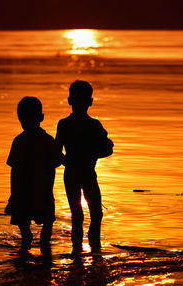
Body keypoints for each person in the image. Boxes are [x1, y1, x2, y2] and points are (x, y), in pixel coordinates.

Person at [56, 80, 113, 255]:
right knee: (84, 213)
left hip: (83, 173)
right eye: (78, 100)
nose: (80, 104)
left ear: (89, 102)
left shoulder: (92, 125)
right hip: (78, 173)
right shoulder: (68, 124)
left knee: (91, 213)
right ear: (70, 101)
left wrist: (89, 156)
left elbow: (107, 148)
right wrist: (76, 161)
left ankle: (85, 248)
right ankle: (87, 249)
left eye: (83, 100)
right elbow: (57, 152)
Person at [5, 96, 62, 255]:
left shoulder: (21, 141)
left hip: (29, 193)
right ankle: (43, 250)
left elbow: (14, 171)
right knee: (46, 225)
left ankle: (28, 244)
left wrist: (13, 195)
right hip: (39, 193)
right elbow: (57, 163)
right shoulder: (47, 141)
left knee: (28, 227)